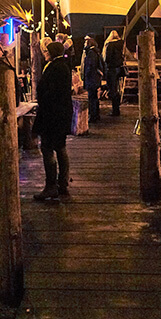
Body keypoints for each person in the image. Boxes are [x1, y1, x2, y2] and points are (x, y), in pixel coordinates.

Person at [32, 41, 73, 201]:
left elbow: (50, 92)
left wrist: (41, 95)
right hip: (61, 115)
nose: (44, 54)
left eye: (46, 51)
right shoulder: (63, 66)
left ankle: (51, 186)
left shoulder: (55, 68)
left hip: (52, 116)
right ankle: (62, 183)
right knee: (60, 148)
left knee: (48, 149)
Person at [81, 37, 104, 122]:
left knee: (92, 98)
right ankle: (96, 115)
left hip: (91, 78)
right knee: (94, 97)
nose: (84, 44)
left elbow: (90, 66)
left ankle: (93, 116)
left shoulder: (91, 53)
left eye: (85, 43)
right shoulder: (96, 52)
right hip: (95, 78)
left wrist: (85, 77)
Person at [102, 30, 124, 116]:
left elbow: (107, 58)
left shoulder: (110, 45)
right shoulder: (120, 45)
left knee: (112, 89)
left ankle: (115, 111)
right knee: (116, 89)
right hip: (118, 69)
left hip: (111, 69)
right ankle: (117, 109)